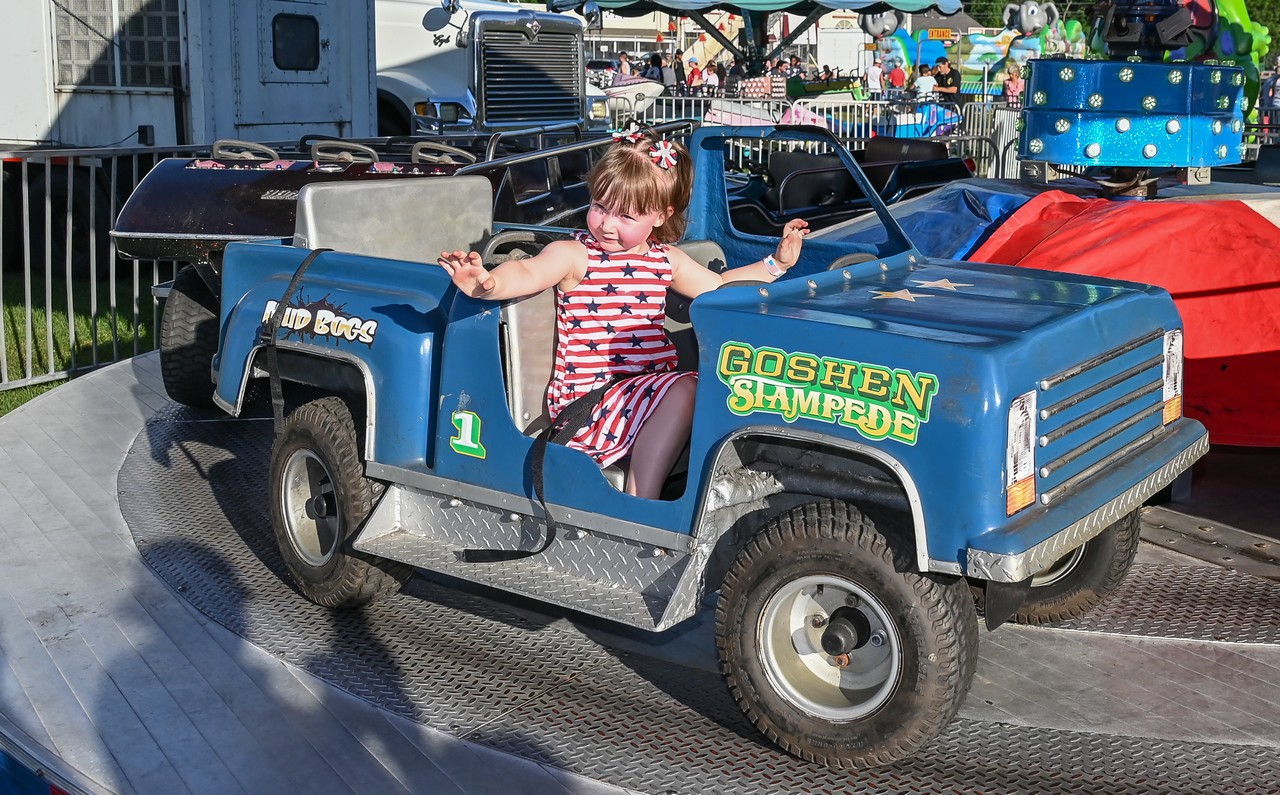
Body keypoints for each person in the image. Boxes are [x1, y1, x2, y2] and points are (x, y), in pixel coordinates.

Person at [437, 128, 809, 500]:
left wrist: (776, 264)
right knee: (689, 387)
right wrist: (487, 284)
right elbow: (528, 272)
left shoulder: (665, 260)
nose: (607, 224)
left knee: (720, 383)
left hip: (646, 396)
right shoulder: (575, 255)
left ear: (661, 216)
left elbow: (720, 286)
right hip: (592, 404)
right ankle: (640, 499)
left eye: (626, 216)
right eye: (600, 206)